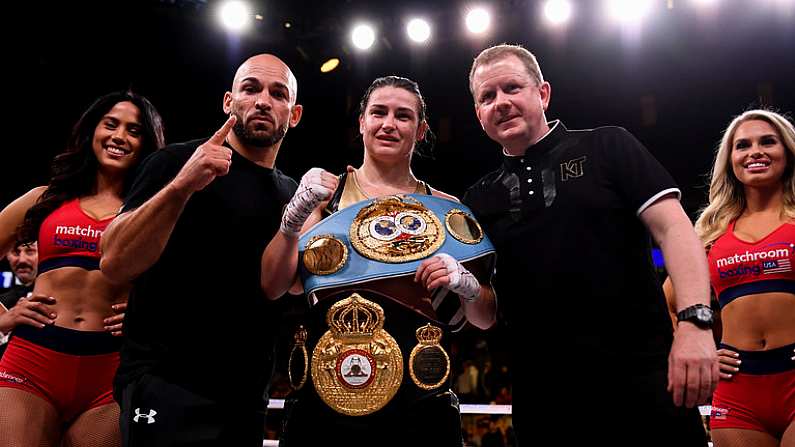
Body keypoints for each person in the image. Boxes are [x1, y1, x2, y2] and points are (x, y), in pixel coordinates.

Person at [462, 44, 718, 445]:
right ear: (479, 114)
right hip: (545, 400)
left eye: (512, 87)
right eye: (487, 97)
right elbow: (486, 313)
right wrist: (460, 284)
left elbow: (674, 229)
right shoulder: (477, 199)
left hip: (643, 381)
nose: (501, 103)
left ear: (542, 93)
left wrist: (696, 324)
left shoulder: (608, 146)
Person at [261, 75, 497, 446]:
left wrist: (466, 285)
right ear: (362, 122)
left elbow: (485, 318)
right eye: (379, 112)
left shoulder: (447, 209)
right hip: (323, 403)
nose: (389, 123)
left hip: (419, 403)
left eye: (403, 116)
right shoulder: (324, 197)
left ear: (420, 130)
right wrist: (292, 219)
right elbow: (276, 286)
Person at [99, 54, 303, 447]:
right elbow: (114, 261)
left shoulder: (291, 196)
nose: (262, 100)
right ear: (229, 102)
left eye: (278, 94)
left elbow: (290, 288)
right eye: (250, 88)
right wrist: (182, 186)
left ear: (293, 115)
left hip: (245, 397)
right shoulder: (175, 161)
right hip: (165, 384)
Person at [0, 91, 164, 447]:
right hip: (31, 362)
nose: (120, 136)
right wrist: (2, 316)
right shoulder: (43, 199)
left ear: (147, 144)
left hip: (110, 373)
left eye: (134, 130)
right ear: (92, 131)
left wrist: (149, 316)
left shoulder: (154, 212)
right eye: (111, 124)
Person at [692, 110, 795, 446]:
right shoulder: (712, 233)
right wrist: (702, 348)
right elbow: (667, 302)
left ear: (788, 152)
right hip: (738, 391)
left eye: (768, 141)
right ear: (731, 160)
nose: (755, 151)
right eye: (743, 145)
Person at [0, 241, 39, 358]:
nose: (22, 260)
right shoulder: (2, 302)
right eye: (16, 252)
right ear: (6, 255)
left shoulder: (60, 297)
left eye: (30, 251)